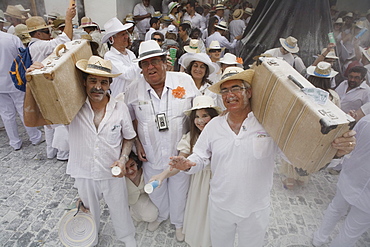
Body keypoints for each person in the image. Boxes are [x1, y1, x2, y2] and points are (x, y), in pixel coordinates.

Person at [168, 67, 356, 247]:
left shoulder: (268, 125)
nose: (230, 94)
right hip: (220, 206)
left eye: (236, 88)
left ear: (248, 92)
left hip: (255, 209)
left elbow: (294, 157)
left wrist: (335, 152)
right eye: (224, 90)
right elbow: (200, 156)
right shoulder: (214, 126)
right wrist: (189, 163)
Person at [24, 56, 137, 246]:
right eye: (92, 80)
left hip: (112, 174)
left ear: (110, 84)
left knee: (120, 211)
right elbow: (31, 121)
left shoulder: (120, 108)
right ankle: (89, 239)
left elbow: (129, 136)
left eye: (103, 82)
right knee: (87, 212)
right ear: (84, 82)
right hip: (83, 173)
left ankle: (127, 239)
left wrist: (123, 158)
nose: (98, 87)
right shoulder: (71, 108)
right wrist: (30, 84)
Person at [124, 40, 200, 241]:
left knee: (179, 190)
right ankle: (162, 215)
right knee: (155, 190)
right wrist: (137, 143)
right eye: (145, 64)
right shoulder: (133, 89)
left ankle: (178, 223)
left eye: (155, 61)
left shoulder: (184, 81)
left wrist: (193, 145)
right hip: (150, 153)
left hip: (179, 154)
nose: (151, 67)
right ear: (141, 68)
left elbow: (198, 112)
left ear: (165, 62)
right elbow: (129, 118)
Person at [149, 95, 221, 247]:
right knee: (201, 211)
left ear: (213, 116)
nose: (200, 120)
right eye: (197, 117)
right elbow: (179, 163)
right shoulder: (190, 137)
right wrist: (162, 176)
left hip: (220, 180)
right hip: (200, 183)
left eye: (205, 115)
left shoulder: (223, 134)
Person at [312, 112, 370, 247]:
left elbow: (351, 146)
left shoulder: (367, 121)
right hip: (354, 179)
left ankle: (319, 238)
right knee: (352, 230)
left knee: (335, 209)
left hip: (352, 176)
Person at [280, 62, 340, 189]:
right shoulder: (333, 97)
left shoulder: (303, 91)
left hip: (300, 130)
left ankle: (290, 178)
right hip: (319, 134)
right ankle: (302, 178)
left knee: (293, 152)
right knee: (309, 156)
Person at [26, 5, 75, 160]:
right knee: (58, 120)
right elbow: (65, 40)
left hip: (42, 87)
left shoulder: (34, 45)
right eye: (47, 31)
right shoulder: (39, 45)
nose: (50, 34)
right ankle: (62, 153)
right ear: (38, 33)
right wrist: (68, 19)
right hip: (46, 87)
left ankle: (50, 151)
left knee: (48, 122)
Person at [0, 28, 43, 151]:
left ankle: (14, 142)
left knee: (6, 114)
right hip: (14, 79)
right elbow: (23, 57)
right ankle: (34, 137)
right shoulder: (10, 38)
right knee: (23, 109)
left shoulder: (10, 38)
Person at [102, 17, 140, 97]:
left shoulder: (130, 53)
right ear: (112, 39)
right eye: (122, 34)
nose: (126, 37)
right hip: (119, 99)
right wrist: (142, 61)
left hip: (134, 97)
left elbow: (138, 75)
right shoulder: (109, 56)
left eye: (126, 33)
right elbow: (128, 75)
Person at [125, 151, 159, 225]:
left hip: (149, 195)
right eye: (126, 168)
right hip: (133, 200)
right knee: (151, 215)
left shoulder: (146, 170)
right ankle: (134, 214)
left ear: (136, 163)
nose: (130, 170)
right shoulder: (121, 180)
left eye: (132, 165)